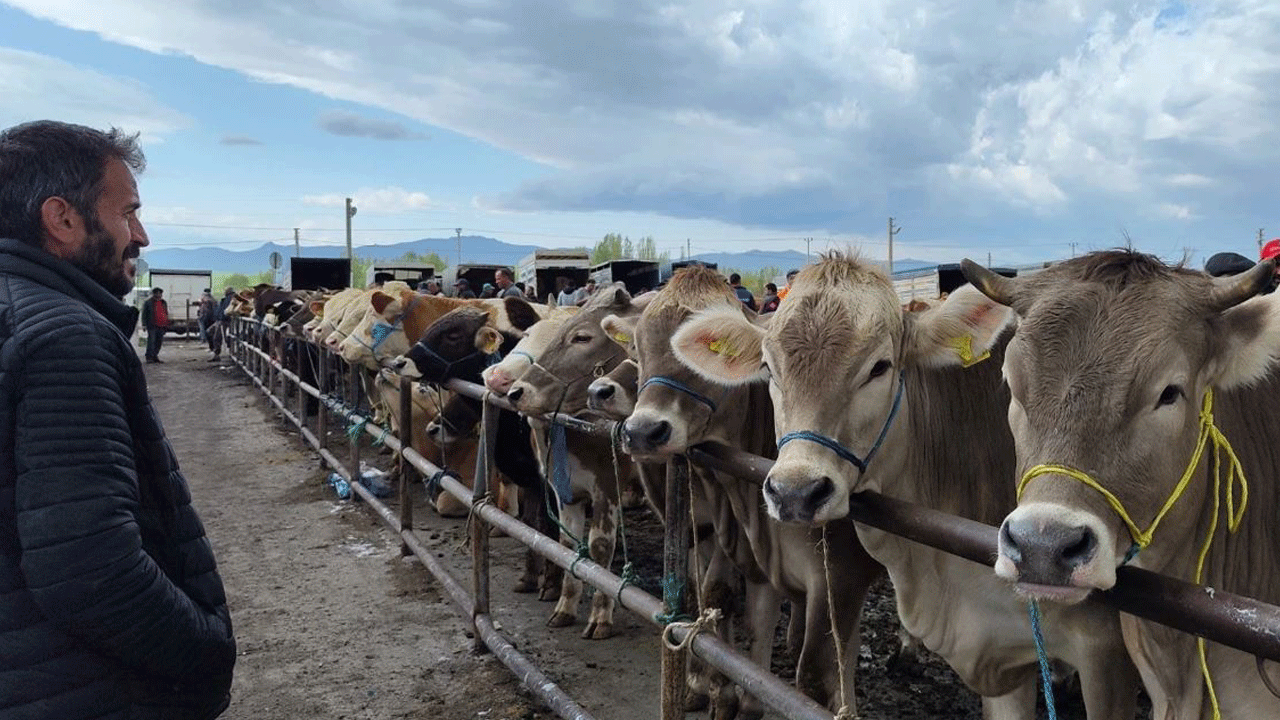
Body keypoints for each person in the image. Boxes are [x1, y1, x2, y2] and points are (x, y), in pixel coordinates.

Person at [0, 120, 235, 718]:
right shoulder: (63, 336)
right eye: (127, 212)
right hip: (81, 688)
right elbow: (89, 570)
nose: (142, 235)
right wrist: (207, 653)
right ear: (64, 219)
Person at [140, 286, 170, 363]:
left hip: (162, 325)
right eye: (156, 293)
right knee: (151, 341)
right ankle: (149, 357)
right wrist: (144, 324)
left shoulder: (163, 302)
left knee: (159, 342)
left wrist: (167, 323)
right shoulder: (148, 302)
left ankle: (155, 356)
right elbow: (144, 314)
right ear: (153, 294)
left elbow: (165, 312)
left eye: (160, 293)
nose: (158, 295)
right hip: (152, 325)